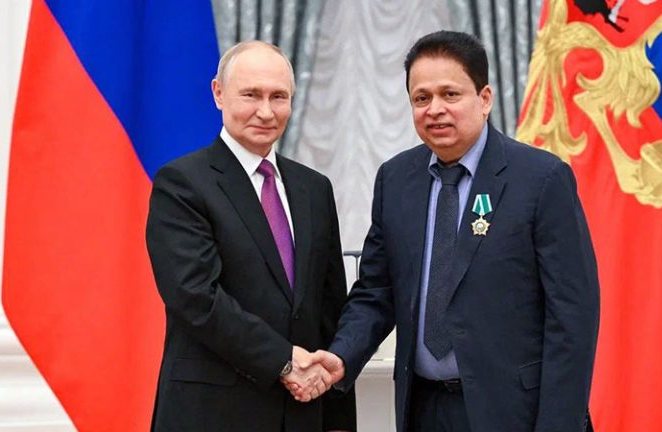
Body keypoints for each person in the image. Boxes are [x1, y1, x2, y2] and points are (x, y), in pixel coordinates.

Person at [299, 31, 600, 431]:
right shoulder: (396, 180)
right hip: (422, 409)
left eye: (450, 94)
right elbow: (376, 292)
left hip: (514, 413)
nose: (435, 109)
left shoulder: (541, 179)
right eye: (422, 98)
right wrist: (342, 355)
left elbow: (573, 317)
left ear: (485, 98)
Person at [146, 40, 355, 431]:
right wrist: (284, 360)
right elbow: (196, 297)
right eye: (251, 95)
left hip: (302, 413)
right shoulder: (182, 184)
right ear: (218, 94)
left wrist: (340, 419)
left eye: (279, 96)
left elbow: (330, 310)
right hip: (213, 413)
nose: (265, 111)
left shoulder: (314, 189)